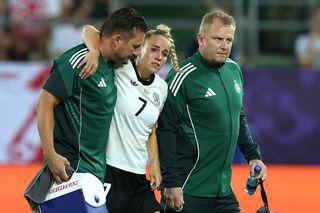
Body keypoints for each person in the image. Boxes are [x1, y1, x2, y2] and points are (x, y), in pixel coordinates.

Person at [24, 7, 147, 212]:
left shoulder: (111, 63)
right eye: (135, 46)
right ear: (117, 40)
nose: (137, 53)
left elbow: (91, 31)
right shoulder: (79, 61)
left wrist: (95, 49)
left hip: (95, 174)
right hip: (71, 170)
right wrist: (51, 154)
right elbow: (44, 103)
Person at [156, 11, 267, 213]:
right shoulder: (182, 75)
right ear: (201, 39)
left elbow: (238, 117)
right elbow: (165, 130)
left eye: (228, 40)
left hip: (223, 191)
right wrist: (171, 183)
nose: (224, 46)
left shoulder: (234, 70)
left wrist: (253, 156)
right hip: (188, 188)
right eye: (218, 39)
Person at [82, 23, 180, 213]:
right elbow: (89, 30)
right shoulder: (121, 66)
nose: (159, 57)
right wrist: (94, 51)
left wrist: (156, 165)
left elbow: (151, 129)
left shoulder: (162, 88)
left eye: (164, 53)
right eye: (154, 49)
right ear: (140, 48)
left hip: (138, 176)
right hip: (110, 171)